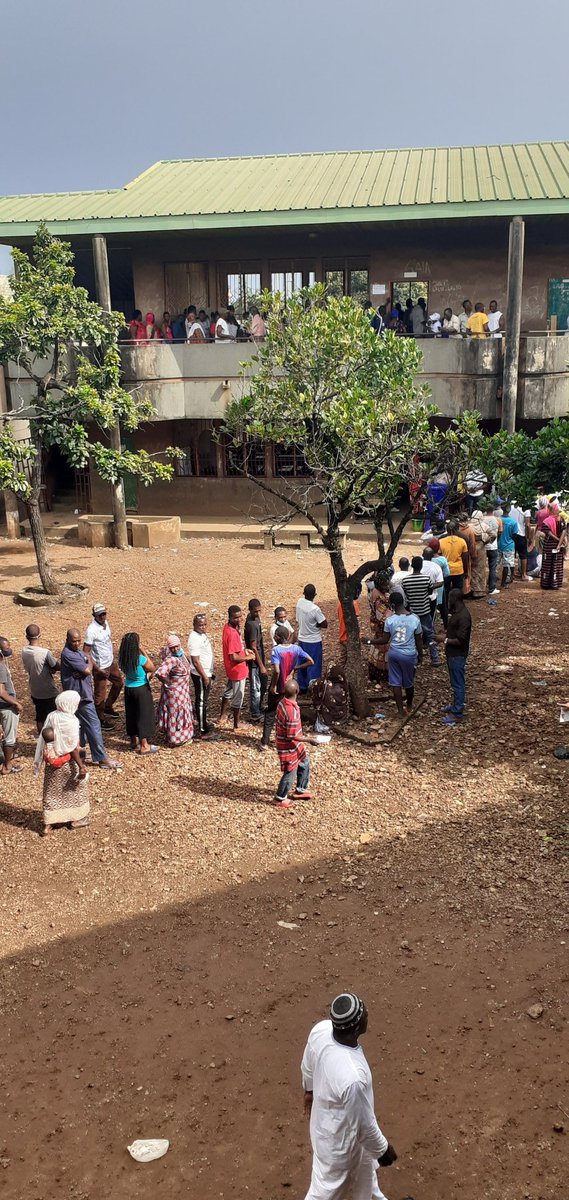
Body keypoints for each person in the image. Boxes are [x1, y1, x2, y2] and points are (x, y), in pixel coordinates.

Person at [301, 993, 397, 1200]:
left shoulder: (321, 1031)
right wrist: (383, 1150)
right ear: (355, 1028)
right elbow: (363, 1125)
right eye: (364, 1013)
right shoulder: (352, 1076)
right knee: (324, 1191)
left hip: (329, 1126)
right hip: (340, 1144)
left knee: (365, 1181)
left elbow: (308, 1064)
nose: (367, 1013)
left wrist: (309, 1091)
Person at [61, 629, 121, 769]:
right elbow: (87, 669)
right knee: (94, 725)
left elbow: (87, 658)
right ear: (67, 640)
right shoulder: (69, 654)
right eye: (73, 641)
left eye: (78, 641)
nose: (77, 644)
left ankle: (80, 752)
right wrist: (88, 663)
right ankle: (102, 758)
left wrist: (91, 664)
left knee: (80, 726)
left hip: (79, 694)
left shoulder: (76, 652)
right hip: (81, 697)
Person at [34, 691, 89, 836]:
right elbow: (72, 747)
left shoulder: (52, 715)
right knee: (75, 790)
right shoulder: (71, 721)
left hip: (52, 764)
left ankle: (48, 824)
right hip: (68, 763)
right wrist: (81, 766)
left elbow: (46, 736)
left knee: (51, 792)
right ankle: (76, 820)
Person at [260, 627, 313, 750]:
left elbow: (277, 671)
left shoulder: (276, 650)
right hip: (291, 687)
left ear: (278, 637)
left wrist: (273, 685)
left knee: (270, 714)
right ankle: (293, 739)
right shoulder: (296, 649)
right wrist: (295, 668)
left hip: (279, 687)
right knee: (291, 712)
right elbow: (311, 661)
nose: (274, 637)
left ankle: (265, 742)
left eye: (275, 636)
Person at [374, 589, 423, 716]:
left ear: (392, 605)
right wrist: (420, 655)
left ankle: (400, 710)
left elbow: (384, 639)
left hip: (394, 654)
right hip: (409, 655)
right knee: (409, 682)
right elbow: (418, 640)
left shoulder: (390, 620)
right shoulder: (415, 619)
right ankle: (410, 705)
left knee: (395, 683)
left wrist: (370, 641)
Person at [84, 603, 123, 729]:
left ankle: (108, 706)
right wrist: (96, 669)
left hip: (110, 662)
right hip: (100, 666)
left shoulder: (105, 623)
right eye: (99, 615)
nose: (102, 616)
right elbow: (86, 652)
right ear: (94, 615)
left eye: (104, 614)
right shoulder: (91, 630)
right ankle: (99, 719)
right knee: (100, 695)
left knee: (119, 683)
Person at [117, 632, 157, 755]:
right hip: (141, 688)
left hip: (129, 688)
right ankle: (144, 745)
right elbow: (152, 667)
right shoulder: (139, 659)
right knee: (143, 715)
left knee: (131, 714)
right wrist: (143, 651)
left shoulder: (123, 659)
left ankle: (133, 741)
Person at [274, 679, 311, 807]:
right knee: (290, 771)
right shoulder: (292, 712)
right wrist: (310, 740)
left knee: (304, 760)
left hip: (289, 742)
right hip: (288, 745)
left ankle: (301, 789)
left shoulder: (282, 702)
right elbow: (292, 736)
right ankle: (280, 798)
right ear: (297, 691)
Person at [220, 606, 255, 729]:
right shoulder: (232, 633)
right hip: (238, 670)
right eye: (236, 618)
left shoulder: (228, 627)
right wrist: (248, 657)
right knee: (238, 697)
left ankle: (222, 715)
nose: (239, 619)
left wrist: (244, 650)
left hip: (231, 669)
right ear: (230, 617)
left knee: (228, 691)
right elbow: (234, 657)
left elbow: (236, 649)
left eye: (240, 616)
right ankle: (236, 723)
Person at [155, 635, 194, 746]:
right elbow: (160, 673)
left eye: (177, 646)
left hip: (183, 692)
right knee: (175, 715)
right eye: (172, 648)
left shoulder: (182, 655)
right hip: (175, 693)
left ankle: (183, 736)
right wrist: (169, 683)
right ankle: (175, 739)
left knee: (181, 713)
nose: (175, 649)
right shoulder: (171, 659)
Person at [441, 588, 472, 725]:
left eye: (450, 598)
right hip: (453, 654)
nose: (448, 601)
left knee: (458, 683)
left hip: (457, 654)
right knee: (455, 682)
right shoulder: (457, 612)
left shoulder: (463, 616)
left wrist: (444, 639)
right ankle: (455, 705)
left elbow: (461, 640)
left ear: (455, 599)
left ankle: (457, 712)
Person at [401, 557, 441, 665]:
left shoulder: (405, 580)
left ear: (411, 566)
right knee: (430, 635)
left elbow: (405, 594)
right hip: (425, 612)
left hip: (412, 613)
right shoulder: (426, 578)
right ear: (421, 566)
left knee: (411, 636)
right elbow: (429, 591)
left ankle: (414, 658)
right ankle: (435, 658)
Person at [21, 623, 60, 732]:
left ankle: (42, 737)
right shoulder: (45, 653)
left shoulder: (24, 651)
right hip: (48, 690)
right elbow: (56, 666)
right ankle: (53, 737)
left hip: (35, 690)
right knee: (54, 716)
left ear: (26, 637)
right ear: (40, 635)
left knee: (40, 715)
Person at [188, 613, 215, 738]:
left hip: (206, 672)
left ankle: (203, 722)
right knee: (201, 700)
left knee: (204, 700)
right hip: (200, 674)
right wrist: (204, 676)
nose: (203, 627)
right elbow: (195, 661)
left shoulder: (201, 635)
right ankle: (203, 730)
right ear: (194, 625)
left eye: (205, 624)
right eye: (200, 625)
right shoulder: (194, 638)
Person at [296, 585, 327, 690]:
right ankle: (314, 688)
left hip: (302, 638)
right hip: (313, 641)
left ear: (304, 593)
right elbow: (324, 624)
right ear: (315, 595)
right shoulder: (315, 609)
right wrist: (316, 624)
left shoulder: (299, 602)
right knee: (314, 665)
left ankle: (302, 686)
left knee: (302, 662)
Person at [0, 636, 23, 774]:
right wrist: (15, 703)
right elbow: (1, 691)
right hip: (6, 706)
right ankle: (7, 766)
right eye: (6, 648)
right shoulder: (1, 667)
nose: (9, 650)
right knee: (9, 737)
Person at [244, 598, 267, 722]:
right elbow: (253, 647)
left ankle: (258, 707)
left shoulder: (254, 619)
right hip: (255, 661)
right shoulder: (252, 624)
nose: (257, 613)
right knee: (256, 687)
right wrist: (261, 665)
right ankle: (255, 713)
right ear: (250, 610)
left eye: (259, 611)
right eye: (255, 611)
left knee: (262, 684)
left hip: (259, 657)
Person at [367, 571, 392, 681]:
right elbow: (383, 615)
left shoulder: (376, 591)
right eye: (385, 585)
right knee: (383, 647)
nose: (387, 587)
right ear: (379, 584)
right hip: (381, 625)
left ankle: (376, 671)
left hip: (377, 623)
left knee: (378, 646)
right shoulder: (378, 598)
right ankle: (381, 673)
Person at [468, 508, 495, 598]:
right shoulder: (484, 526)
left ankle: (471, 589)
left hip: (471, 548)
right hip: (481, 548)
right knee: (480, 569)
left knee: (472, 569)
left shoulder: (469, 526)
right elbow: (494, 534)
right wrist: (486, 541)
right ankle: (479, 591)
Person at [540, 501, 567, 590]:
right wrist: (560, 543)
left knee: (547, 564)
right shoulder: (562, 520)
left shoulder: (546, 521)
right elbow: (564, 532)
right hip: (559, 546)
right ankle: (555, 584)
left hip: (549, 545)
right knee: (557, 564)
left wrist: (557, 540)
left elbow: (549, 533)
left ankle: (546, 584)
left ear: (550, 510)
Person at [439, 519, 469, 593]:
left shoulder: (441, 541)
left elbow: (439, 558)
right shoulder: (462, 541)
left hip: (446, 570)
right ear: (457, 529)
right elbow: (465, 558)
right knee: (457, 591)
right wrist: (466, 571)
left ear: (447, 529)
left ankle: (446, 601)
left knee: (445, 591)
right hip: (458, 570)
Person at [427, 538, 450, 626]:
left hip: (427, 586)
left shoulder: (424, 559)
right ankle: (446, 626)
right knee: (443, 606)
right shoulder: (442, 560)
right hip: (439, 586)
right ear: (438, 548)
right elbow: (447, 574)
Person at [337, 588, 361, 666]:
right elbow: (357, 622)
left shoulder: (340, 603)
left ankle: (339, 672)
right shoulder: (353, 604)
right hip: (350, 637)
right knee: (353, 661)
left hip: (342, 635)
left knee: (343, 660)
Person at [509, 500, 532, 580]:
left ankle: (511, 575)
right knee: (523, 555)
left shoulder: (511, 505)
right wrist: (529, 537)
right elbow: (528, 525)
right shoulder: (526, 508)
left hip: (511, 534)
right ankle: (523, 575)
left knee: (512, 555)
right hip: (521, 534)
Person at [420, 546, 445, 620]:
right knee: (430, 618)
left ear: (422, 555)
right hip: (431, 597)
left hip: (418, 597)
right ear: (432, 556)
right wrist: (429, 586)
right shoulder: (436, 567)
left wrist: (422, 586)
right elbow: (440, 582)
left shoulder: (418, 565)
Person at [497, 502, 519, 587]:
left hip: (498, 545)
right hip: (509, 545)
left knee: (495, 564)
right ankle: (505, 582)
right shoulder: (513, 522)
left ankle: (491, 580)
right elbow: (514, 535)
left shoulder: (498, 520)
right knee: (508, 565)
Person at [457, 511, 477, 594]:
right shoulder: (469, 530)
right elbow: (472, 544)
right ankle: (465, 590)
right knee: (467, 572)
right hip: (466, 554)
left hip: (457, 552)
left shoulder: (456, 529)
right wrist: (473, 555)